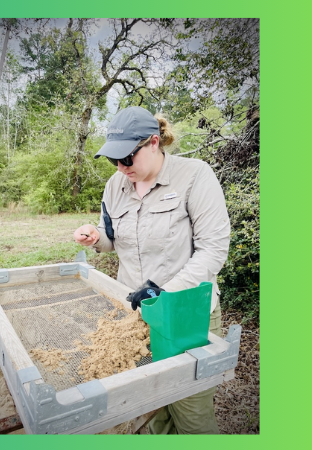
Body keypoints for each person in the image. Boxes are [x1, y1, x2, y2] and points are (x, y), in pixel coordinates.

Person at [73, 106, 230, 434]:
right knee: (150, 412)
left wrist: (164, 292)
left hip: (186, 315)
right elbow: (113, 239)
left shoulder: (195, 176)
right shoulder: (115, 186)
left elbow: (213, 250)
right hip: (135, 317)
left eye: (127, 158)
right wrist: (95, 237)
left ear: (154, 142)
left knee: (191, 416)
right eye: (113, 160)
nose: (120, 167)